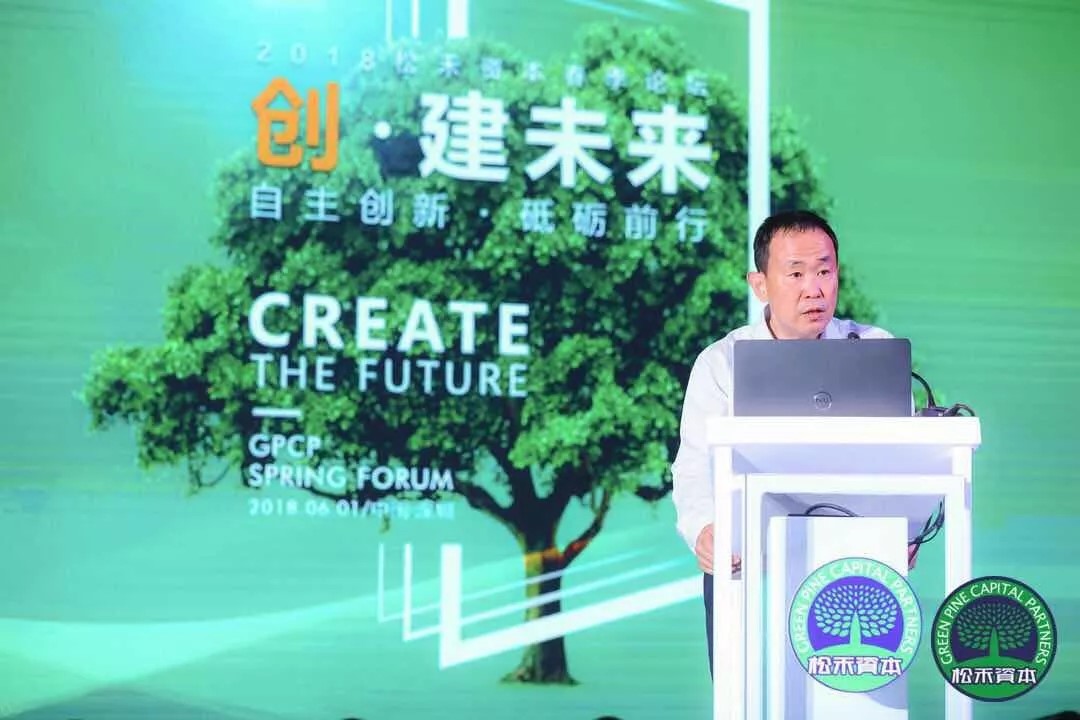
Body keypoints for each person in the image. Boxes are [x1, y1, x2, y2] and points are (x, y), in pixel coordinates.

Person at [670, 209, 901, 675]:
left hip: (854, 565)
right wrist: (704, 529)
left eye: (824, 271)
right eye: (796, 273)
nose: (814, 289)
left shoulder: (874, 349)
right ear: (759, 284)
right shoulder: (722, 363)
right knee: (748, 691)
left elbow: (905, 457)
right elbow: (694, 464)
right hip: (746, 564)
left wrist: (905, 530)